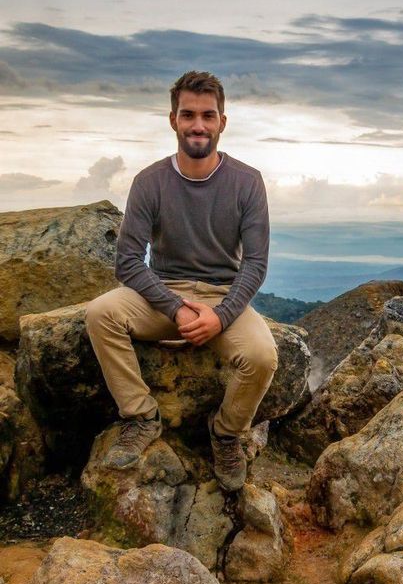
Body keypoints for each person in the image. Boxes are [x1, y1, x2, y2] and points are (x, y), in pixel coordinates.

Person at [85, 70, 278, 492]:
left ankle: (226, 434)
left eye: (208, 116)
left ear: (222, 122)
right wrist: (177, 307)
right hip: (164, 293)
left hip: (223, 295)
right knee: (101, 313)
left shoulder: (247, 182)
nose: (198, 125)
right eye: (188, 115)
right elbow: (129, 262)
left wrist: (221, 317)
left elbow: (256, 263)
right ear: (172, 119)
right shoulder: (150, 182)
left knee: (263, 356)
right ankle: (141, 416)